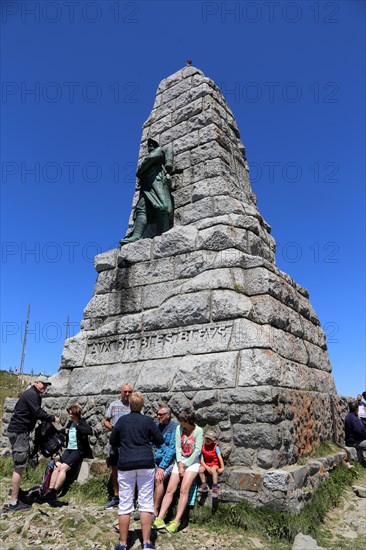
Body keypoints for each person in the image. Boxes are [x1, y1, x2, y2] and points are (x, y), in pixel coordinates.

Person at [110, 392, 164, 550]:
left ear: (129, 404)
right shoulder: (147, 421)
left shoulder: (122, 421)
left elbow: (113, 440)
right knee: (146, 503)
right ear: (142, 405)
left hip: (126, 463)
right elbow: (160, 440)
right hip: (145, 463)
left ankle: (123, 543)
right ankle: (147, 543)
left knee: (125, 504)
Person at [6, 379, 60, 512]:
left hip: (19, 431)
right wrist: (52, 418)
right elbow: (37, 412)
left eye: (47, 385)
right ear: (36, 382)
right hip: (20, 432)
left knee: (20, 464)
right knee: (19, 466)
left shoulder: (33, 394)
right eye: (43, 384)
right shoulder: (32, 394)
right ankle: (14, 503)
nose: (45, 387)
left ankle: (16, 493)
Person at [152, 410, 203, 534]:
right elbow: (178, 447)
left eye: (183, 422)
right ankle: (159, 518)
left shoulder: (198, 431)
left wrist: (185, 466)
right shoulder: (179, 429)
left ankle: (176, 521)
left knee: (183, 489)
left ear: (188, 421)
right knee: (170, 489)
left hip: (192, 462)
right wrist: (180, 464)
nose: (181, 424)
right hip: (180, 461)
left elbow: (197, 450)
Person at [119, 138, 173, 246]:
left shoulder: (159, 150)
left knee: (163, 206)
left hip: (156, 182)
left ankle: (164, 233)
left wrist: (141, 168)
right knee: (141, 209)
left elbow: (149, 160)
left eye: (152, 144)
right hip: (146, 185)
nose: (150, 146)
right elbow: (143, 166)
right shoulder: (153, 153)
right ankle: (136, 236)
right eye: (148, 145)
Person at [45, 403, 93, 499]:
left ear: (76, 414)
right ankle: (49, 490)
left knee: (63, 468)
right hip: (69, 449)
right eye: (69, 413)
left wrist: (77, 426)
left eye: (72, 414)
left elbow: (89, 431)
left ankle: (56, 491)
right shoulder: (70, 423)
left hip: (78, 450)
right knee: (56, 466)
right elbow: (64, 431)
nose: (70, 415)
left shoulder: (82, 422)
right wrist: (63, 431)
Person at [103, 383, 133, 510]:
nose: (127, 394)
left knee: (130, 470)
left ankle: (130, 498)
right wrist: (112, 429)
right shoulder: (114, 405)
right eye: (125, 391)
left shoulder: (134, 406)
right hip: (115, 443)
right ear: (121, 392)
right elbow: (106, 420)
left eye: (129, 392)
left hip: (129, 443)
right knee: (115, 469)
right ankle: (116, 496)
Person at [153, 405, 178, 516]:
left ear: (168, 415)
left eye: (161, 415)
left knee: (159, 479)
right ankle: (144, 508)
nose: (158, 417)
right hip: (155, 460)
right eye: (157, 414)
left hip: (168, 462)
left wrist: (162, 467)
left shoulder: (175, 428)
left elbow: (172, 450)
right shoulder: (156, 427)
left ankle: (155, 510)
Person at [198, 430, 225, 498]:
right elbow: (201, 460)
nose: (207, 440)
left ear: (213, 440)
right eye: (207, 438)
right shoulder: (203, 447)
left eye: (209, 439)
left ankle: (215, 487)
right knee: (200, 470)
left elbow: (220, 458)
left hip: (214, 464)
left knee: (213, 470)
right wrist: (206, 467)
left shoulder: (216, 447)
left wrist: (222, 467)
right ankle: (204, 485)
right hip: (206, 464)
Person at [345, 401, 366, 466]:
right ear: (357, 409)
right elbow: (360, 431)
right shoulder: (354, 418)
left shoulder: (349, 416)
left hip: (351, 440)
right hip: (355, 441)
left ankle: (361, 461)